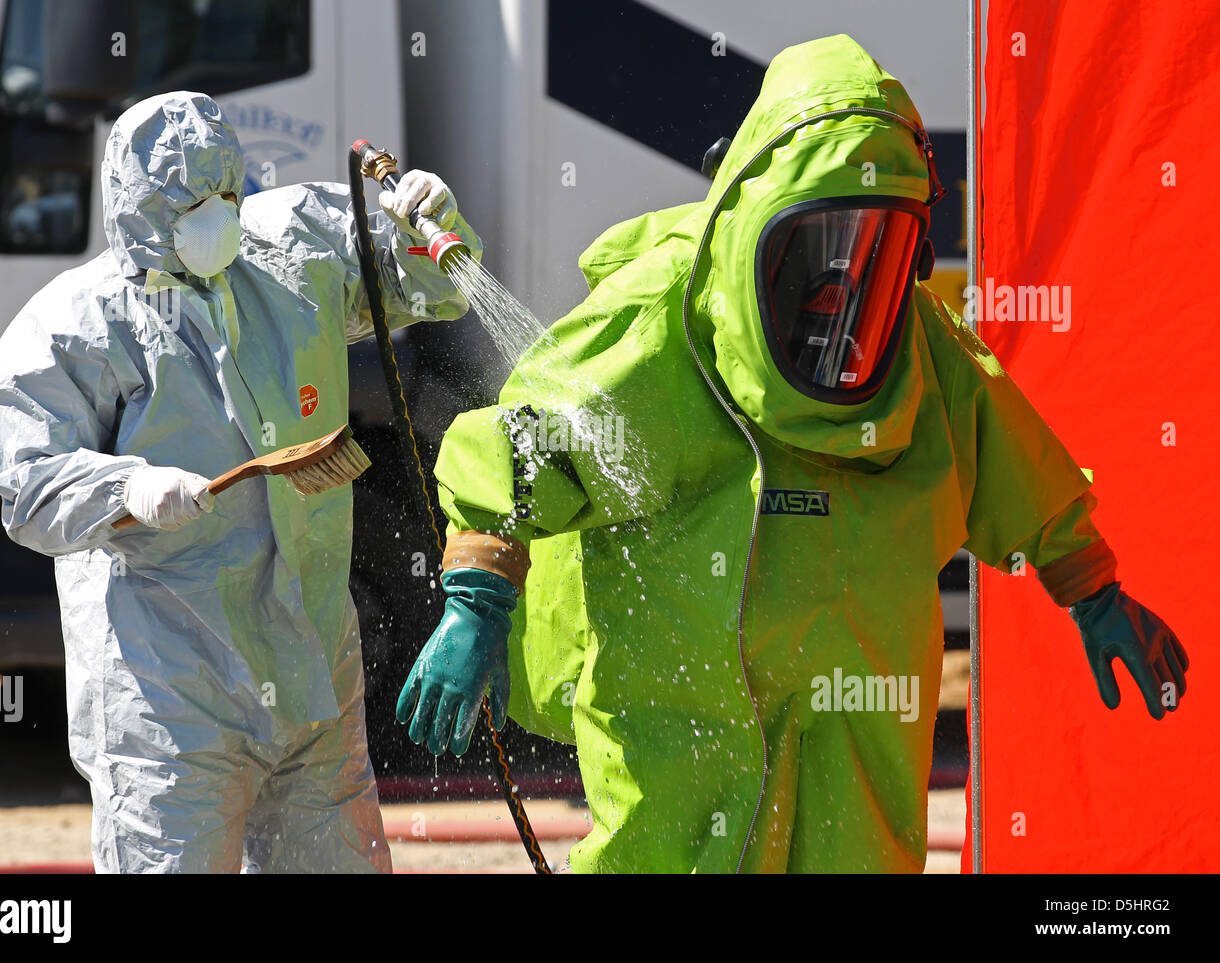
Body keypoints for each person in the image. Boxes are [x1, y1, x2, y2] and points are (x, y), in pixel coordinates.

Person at [394, 35, 1188, 873]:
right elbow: (525, 443)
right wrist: (476, 598)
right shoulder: (665, 322)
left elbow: (1011, 458)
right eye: (818, 257)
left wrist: (1091, 585)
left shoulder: (923, 356)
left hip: (861, 718)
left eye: (871, 257)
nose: (839, 295)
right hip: (682, 712)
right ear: (752, 237)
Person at [0, 91, 480, 873]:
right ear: (140, 215)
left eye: (225, 196)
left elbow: (435, 287)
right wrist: (123, 488)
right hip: (171, 698)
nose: (217, 218)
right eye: (189, 205)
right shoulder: (76, 324)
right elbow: (23, 475)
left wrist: (432, 221)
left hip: (310, 678)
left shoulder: (290, 250)